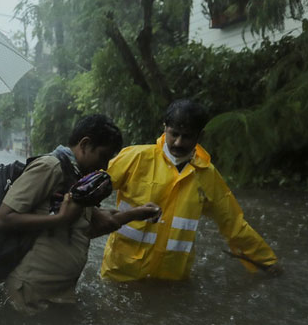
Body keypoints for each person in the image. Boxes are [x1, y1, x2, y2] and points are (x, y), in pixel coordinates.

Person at [0, 114, 160, 313]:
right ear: (85, 144)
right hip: (32, 291)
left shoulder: (78, 179)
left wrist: (136, 213)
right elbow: (3, 218)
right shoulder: (50, 167)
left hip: (60, 292)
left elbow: (93, 225)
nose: (105, 167)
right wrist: (59, 219)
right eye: (103, 156)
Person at [100, 99, 281, 281]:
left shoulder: (207, 176)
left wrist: (268, 262)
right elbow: (90, 190)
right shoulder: (136, 158)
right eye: (174, 134)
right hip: (121, 274)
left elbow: (234, 224)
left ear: (199, 136)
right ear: (165, 128)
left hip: (170, 280)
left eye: (186, 136)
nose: (178, 142)